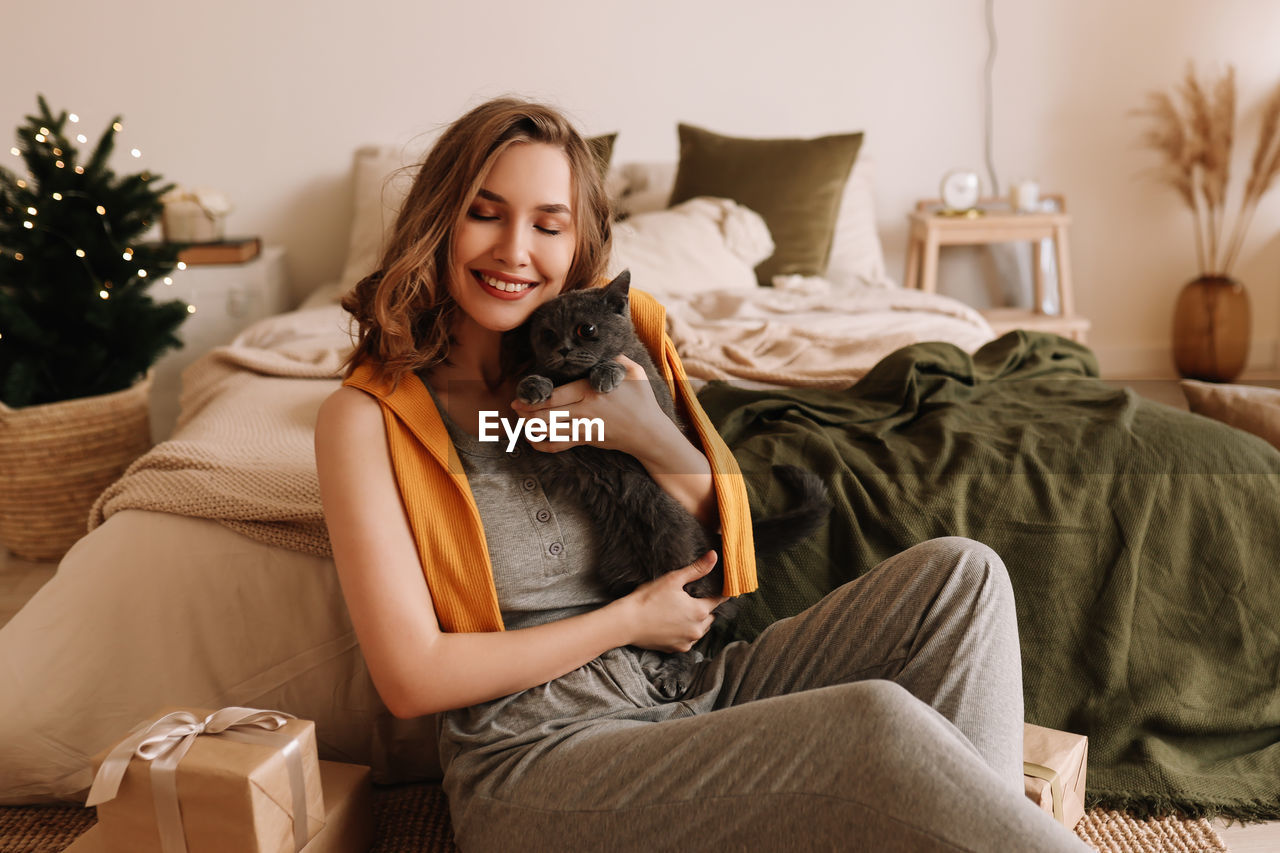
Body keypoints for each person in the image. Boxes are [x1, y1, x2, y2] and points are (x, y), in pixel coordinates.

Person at [314, 97, 1089, 851]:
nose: (516, 250)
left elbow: (724, 544)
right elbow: (411, 677)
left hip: (685, 683)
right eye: (486, 213)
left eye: (548, 224)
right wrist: (626, 621)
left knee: (964, 578)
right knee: (871, 726)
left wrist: (647, 434)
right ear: (439, 219)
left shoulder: (618, 351)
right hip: (537, 753)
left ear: (576, 242)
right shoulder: (366, 419)